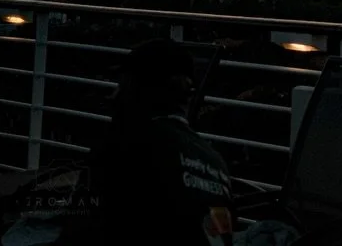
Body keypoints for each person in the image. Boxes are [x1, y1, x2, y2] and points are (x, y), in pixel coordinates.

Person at [81, 39, 233, 246]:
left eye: (122, 86)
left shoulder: (123, 146)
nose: (113, 96)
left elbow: (82, 233)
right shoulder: (216, 164)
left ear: (140, 90)